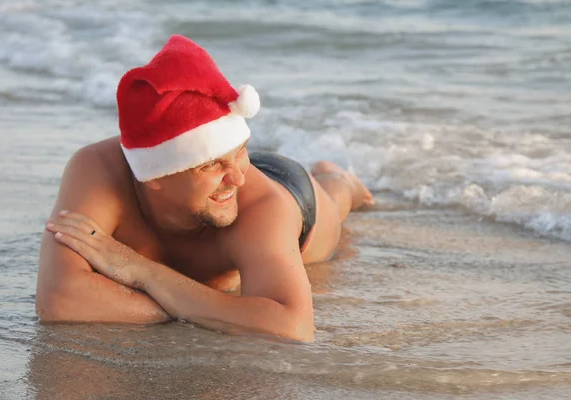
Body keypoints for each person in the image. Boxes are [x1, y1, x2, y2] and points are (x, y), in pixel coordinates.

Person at [36, 35, 374, 342]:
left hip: (293, 194)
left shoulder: (261, 205)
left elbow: (293, 327)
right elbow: (59, 300)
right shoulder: (98, 168)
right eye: (209, 164)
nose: (238, 177)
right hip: (221, 181)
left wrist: (141, 272)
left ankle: (340, 180)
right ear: (154, 175)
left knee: (335, 200)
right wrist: (202, 306)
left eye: (240, 151)